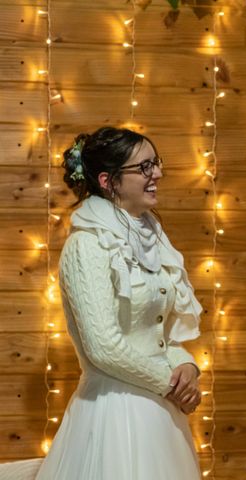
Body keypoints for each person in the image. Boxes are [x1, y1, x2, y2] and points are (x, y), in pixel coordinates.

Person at [36, 127, 203, 479]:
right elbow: (103, 347)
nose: (157, 173)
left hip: (159, 414)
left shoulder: (152, 237)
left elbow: (158, 329)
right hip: (115, 413)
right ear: (107, 181)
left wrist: (187, 366)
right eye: (143, 167)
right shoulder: (87, 245)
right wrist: (171, 385)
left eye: (155, 163)